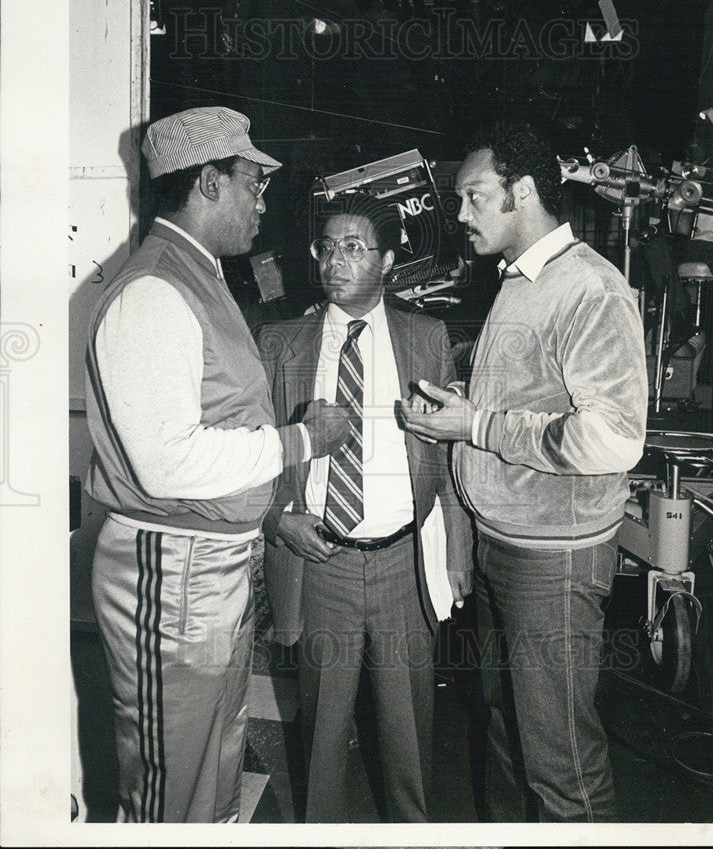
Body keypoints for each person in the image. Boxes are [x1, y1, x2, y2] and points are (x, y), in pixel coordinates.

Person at [84, 107, 349, 823]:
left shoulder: (201, 280)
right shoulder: (154, 293)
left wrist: (266, 514)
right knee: (173, 783)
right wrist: (302, 441)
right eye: (252, 184)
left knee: (212, 764)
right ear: (207, 183)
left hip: (207, 568)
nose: (262, 200)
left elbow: (214, 428)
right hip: (173, 574)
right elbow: (167, 464)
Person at [400, 121, 648, 823]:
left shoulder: (590, 289)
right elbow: (529, 401)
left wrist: (475, 426)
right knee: (510, 736)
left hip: (555, 563)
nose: (459, 215)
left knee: (560, 760)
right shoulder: (522, 281)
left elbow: (612, 438)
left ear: (526, 191)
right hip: (504, 548)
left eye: (475, 197)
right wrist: (467, 411)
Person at [257, 192, 473, 822]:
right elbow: (254, 452)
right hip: (320, 560)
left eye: (353, 247)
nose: (334, 260)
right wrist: (277, 517)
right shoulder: (282, 343)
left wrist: (456, 554)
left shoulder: (426, 338)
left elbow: (449, 452)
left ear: (386, 258)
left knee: (409, 735)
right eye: (326, 247)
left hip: (403, 564)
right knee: (321, 734)